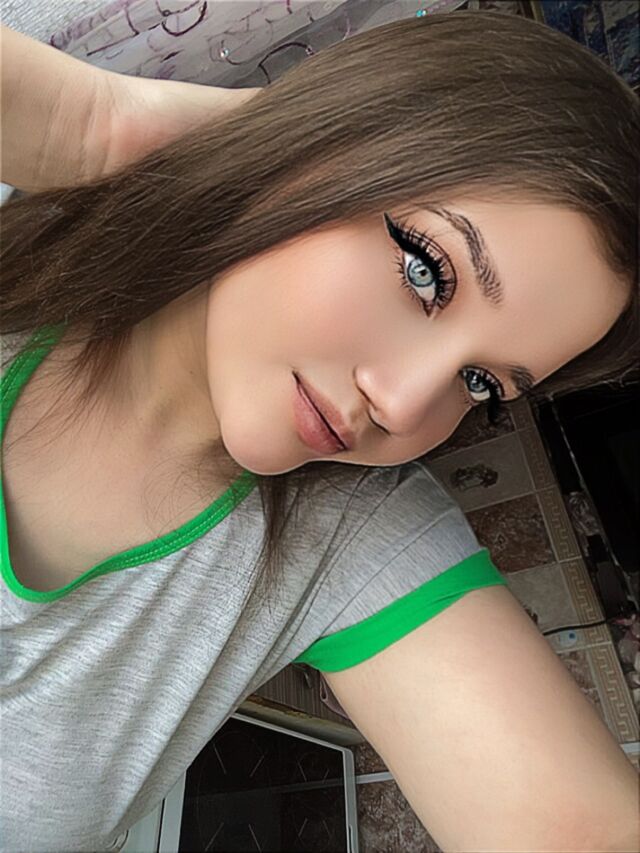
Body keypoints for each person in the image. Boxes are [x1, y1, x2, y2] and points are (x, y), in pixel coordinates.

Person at [1, 9, 638, 853]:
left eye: (481, 384)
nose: (404, 404)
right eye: (427, 272)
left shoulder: (352, 536)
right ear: (323, 150)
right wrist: (95, 126)